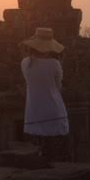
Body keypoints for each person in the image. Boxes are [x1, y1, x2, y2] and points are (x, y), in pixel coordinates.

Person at [20, 28, 70, 161]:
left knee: (37, 153)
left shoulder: (26, 63)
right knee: (55, 152)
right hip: (54, 109)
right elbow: (58, 86)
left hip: (34, 111)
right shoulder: (54, 64)